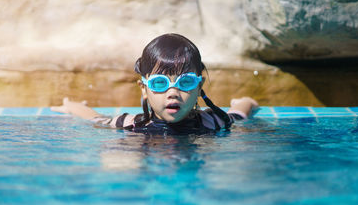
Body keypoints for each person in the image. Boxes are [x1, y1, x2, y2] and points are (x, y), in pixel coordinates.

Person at [51, 33, 258, 135]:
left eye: (185, 82)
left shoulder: (213, 121)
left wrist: (245, 101)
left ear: (199, 86)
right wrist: (72, 107)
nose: (173, 93)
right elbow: (96, 119)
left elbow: (239, 113)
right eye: (160, 83)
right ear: (144, 89)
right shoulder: (130, 124)